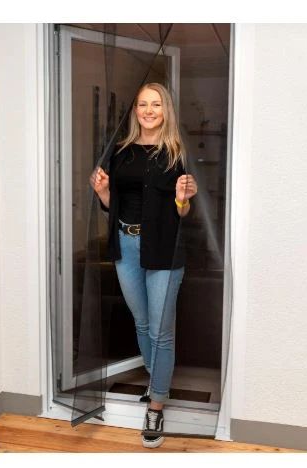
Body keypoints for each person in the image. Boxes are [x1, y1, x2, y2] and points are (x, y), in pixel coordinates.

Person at [89, 82, 197, 448]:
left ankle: (156, 405)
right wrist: (103, 192)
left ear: (166, 111)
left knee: (161, 332)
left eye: (156, 105)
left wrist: (181, 199)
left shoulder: (177, 154)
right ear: (135, 110)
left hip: (164, 249)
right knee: (142, 322)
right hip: (127, 245)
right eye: (142, 104)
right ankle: (157, 381)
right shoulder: (121, 152)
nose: (149, 111)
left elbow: (184, 211)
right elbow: (113, 204)